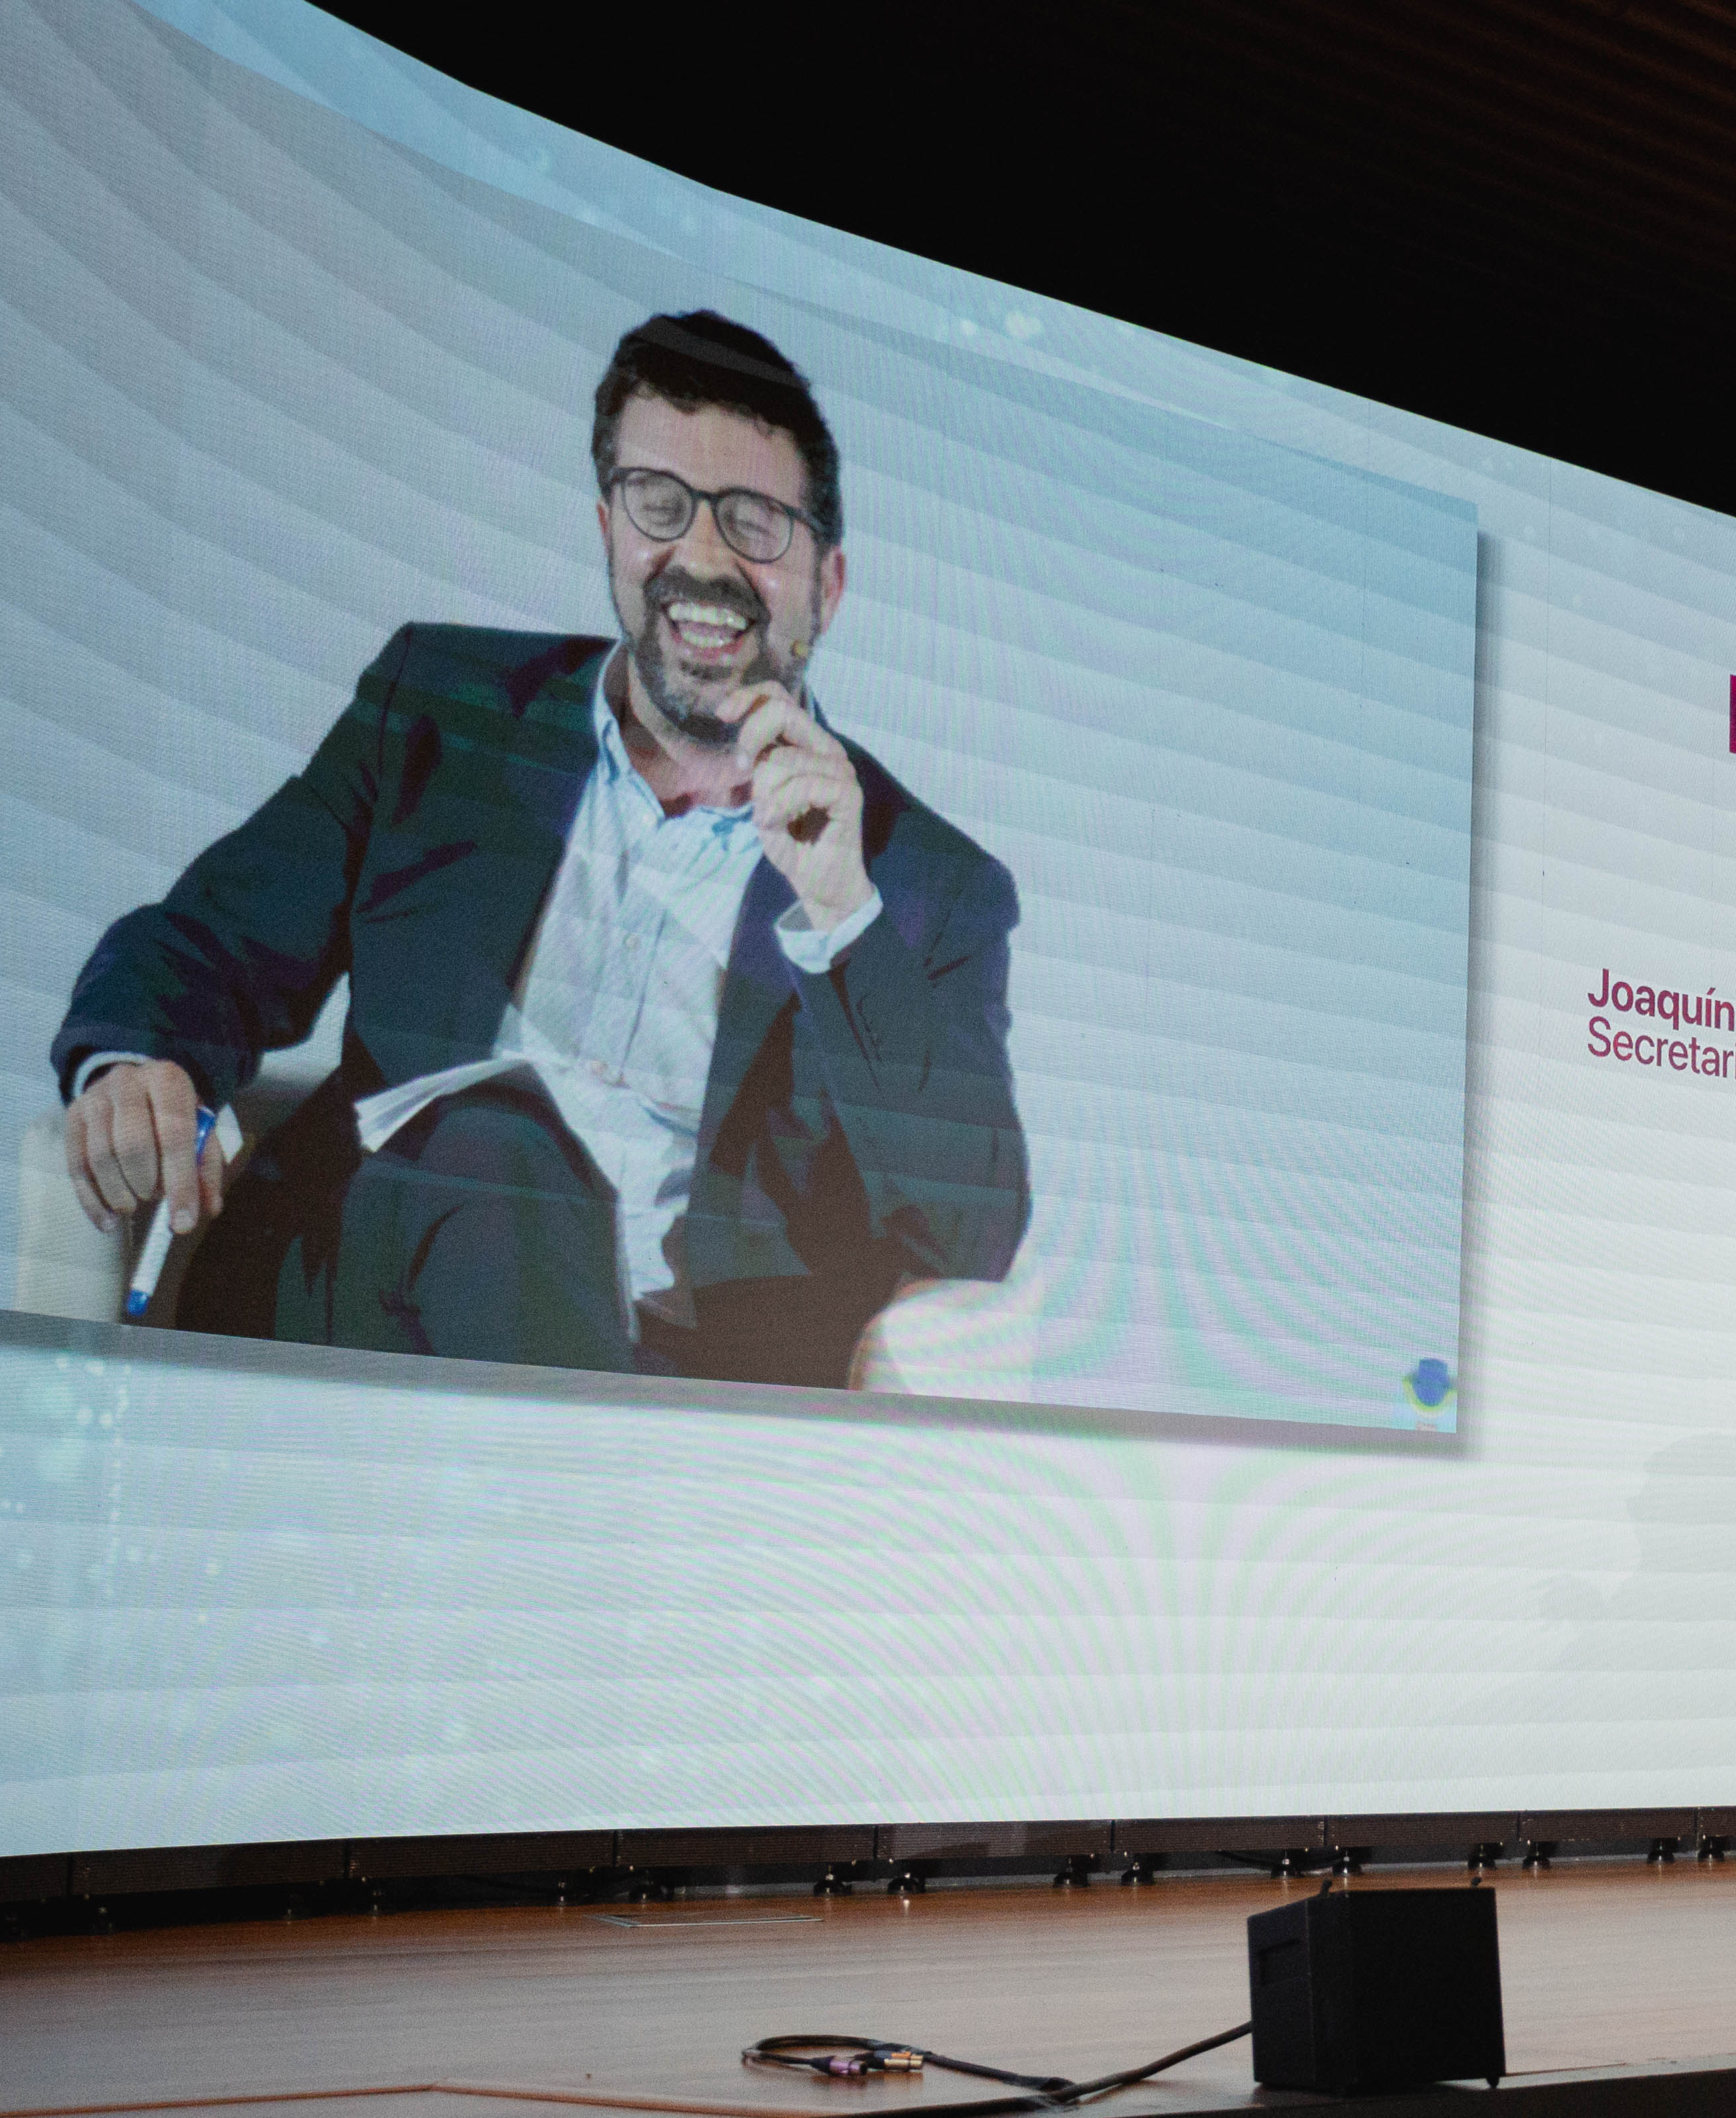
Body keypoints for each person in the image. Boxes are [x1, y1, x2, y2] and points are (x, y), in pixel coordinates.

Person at [51, 311, 1027, 1390]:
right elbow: (215, 939)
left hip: (688, 1378)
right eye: (661, 504)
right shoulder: (441, 709)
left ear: (826, 587)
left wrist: (843, 914)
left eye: (754, 523)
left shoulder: (924, 882)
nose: (701, 558)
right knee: (503, 1149)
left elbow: (967, 1230)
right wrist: (139, 1056)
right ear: (610, 526)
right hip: (372, 1292)